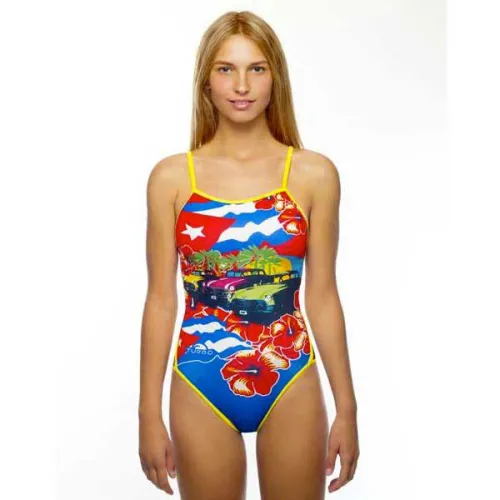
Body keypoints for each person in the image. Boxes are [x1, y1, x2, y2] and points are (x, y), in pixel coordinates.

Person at [138, 10, 359, 500]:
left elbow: (323, 296)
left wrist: (347, 408)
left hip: (290, 375)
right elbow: (160, 300)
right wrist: (147, 414)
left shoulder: (313, 175)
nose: (241, 85)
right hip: (200, 378)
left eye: (256, 68)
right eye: (226, 69)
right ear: (206, 81)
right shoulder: (171, 179)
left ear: (275, 77)